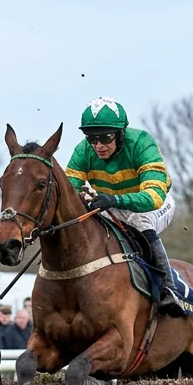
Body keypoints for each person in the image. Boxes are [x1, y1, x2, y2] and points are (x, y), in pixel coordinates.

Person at [64, 97, 182, 317]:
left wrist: (115, 200)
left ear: (120, 133)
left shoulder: (141, 143)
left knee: (140, 221)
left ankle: (169, 289)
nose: (98, 145)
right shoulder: (83, 151)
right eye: (91, 138)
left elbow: (153, 196)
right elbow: (69, 188)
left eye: (105, 138)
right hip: (111, 205)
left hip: (152, 204)